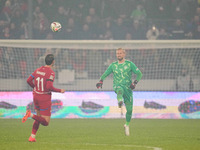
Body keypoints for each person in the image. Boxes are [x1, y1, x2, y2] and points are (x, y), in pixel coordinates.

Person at [96, 48, 142, 136]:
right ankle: (120, 101)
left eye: (120, 53)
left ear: (124, 54)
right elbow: (105, 73)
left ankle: (127, 125)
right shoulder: (113, 65)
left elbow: (139, 74)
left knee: (129, 110)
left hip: (128, 89)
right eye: (117, 53)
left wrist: (135, 83)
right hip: (117, 86)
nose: (119, 55)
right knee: (119, 90)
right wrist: (101, 81)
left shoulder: (129, 64)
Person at [22, 54, 65, 142]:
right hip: (44, 97)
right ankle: (30, 115)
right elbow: (49, 87)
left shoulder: (38, 70)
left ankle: (32, 137)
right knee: (46, 122)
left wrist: (34, 87)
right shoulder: (51, 72)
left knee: (38, 117)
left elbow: (28, 80)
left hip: (36, 96)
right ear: (53, 62)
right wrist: (60, 90)